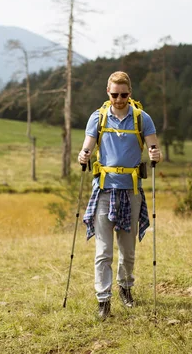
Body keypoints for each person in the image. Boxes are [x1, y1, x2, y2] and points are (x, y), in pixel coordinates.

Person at [78, 71, 161, 320]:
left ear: (130, 93)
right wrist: (83, 155)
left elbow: (154, 147)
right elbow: (87, 146)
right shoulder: (98, 118)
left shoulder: (141, 118)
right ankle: (103, 300)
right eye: (114, 94)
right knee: (104, 251)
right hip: (104, 190)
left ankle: (125, 288)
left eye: (124, 94)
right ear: (108, 92)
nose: (119, 99)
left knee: (128, 249)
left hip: (131, 190)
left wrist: (156, 155)